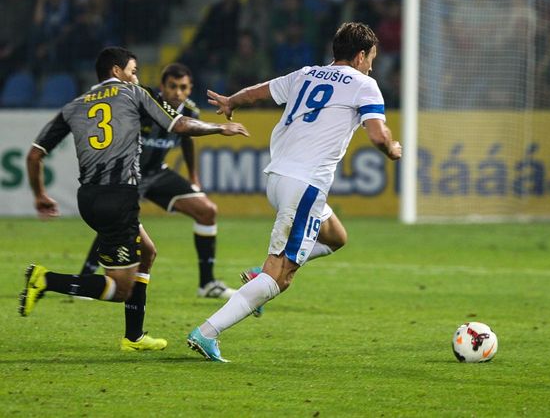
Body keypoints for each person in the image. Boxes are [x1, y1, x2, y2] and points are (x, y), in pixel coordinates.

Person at [186, 22, 402, 362]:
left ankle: (261, 273)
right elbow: (377, 135)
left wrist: (231, 101)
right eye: (371, 58)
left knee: (335, 237)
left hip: (277, 178)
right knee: (282, 276)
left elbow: (260, 91)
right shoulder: (365, 85)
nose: (372, 65)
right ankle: (207, 332)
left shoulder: (306, 74)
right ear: (360, 56)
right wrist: (392, 149)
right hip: (305, 185)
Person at [19, 47, 249, 353]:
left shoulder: (74, 106)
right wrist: (220, 128)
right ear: (117, 71)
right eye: (133, 70)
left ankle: (134, 337)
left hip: (88, 196)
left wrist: (40, 196)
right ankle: (45, 280)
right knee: (119, 289)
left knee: (148, 252)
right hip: (119, 196)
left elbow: (35, 154)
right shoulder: (132, 93)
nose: (136, 76)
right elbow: (179, 125)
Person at [78, 62, 237, 299]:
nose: (177, 92)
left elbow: (187, 138)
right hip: (129, 176)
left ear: (190, 88)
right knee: (116, 222)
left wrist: (193, 176)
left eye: (183, 87)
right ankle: (85, 280)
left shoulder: (190, 112)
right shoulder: (143, 105)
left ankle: (207, 283)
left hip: (158, 173)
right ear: (162, 86)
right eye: (172, 86)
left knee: (207, 210)